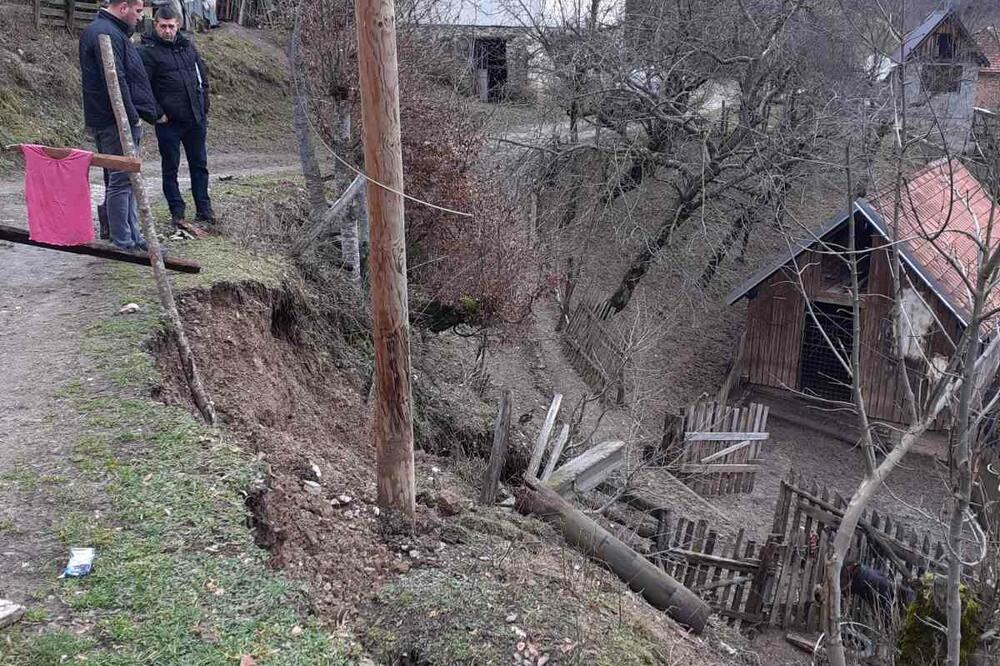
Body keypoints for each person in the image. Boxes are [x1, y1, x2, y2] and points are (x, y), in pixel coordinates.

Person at [79, 0, 164, 251]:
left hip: (116, 118)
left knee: (128, 178)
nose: (140, 17)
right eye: (138, 11)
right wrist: (131, 116)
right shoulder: (103, 33)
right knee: (120, 179)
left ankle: (134, 237)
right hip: (114, 119)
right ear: (123, 7)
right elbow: (116, 80)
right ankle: (123, 240)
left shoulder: (111, 31)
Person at [140, 6, 216, 230]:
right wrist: (156, 114)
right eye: (163, 26)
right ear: (155, 25)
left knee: (199, 165)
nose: (167, 31)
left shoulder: (188, 47)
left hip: (195, 119)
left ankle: (204, 209)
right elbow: (143, 87)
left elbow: (202, 77)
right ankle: (177, 212)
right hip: (169, 123)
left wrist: (204, 106)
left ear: (178, 25)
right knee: (170, 168)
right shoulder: (146, 52)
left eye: (171, 26)